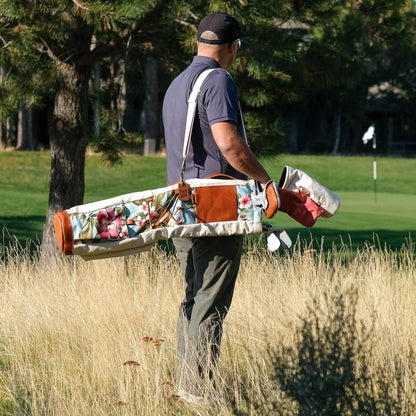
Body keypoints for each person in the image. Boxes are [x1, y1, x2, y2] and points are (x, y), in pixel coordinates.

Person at [162, 11, 271, 402]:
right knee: (210, 300)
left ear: (199, 41)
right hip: (214, 208)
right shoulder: (218, 79)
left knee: (193, 298)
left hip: (180, 205)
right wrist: (265, 181)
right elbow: (228, 143)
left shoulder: (177, 83)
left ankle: (185, 385)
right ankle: (199, 391)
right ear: (232, 46)